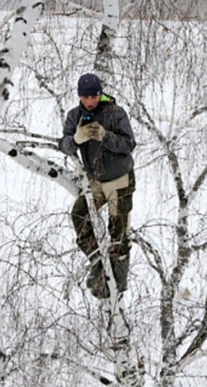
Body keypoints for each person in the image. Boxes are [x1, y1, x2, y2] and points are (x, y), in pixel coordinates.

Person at [58, 73, 136, 299]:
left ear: (101, 94)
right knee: (79, 215)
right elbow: (63, 145)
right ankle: (98, 264)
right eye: (86, 97)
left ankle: (116, 287)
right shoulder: (75, 116)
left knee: (119, 233)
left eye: (94, 96)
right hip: (95, 181)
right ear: (79, 96)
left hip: (120, 180)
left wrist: (105, 136)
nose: (90, 100)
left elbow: (129, 144)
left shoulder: (115, 112)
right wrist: (76, 140)